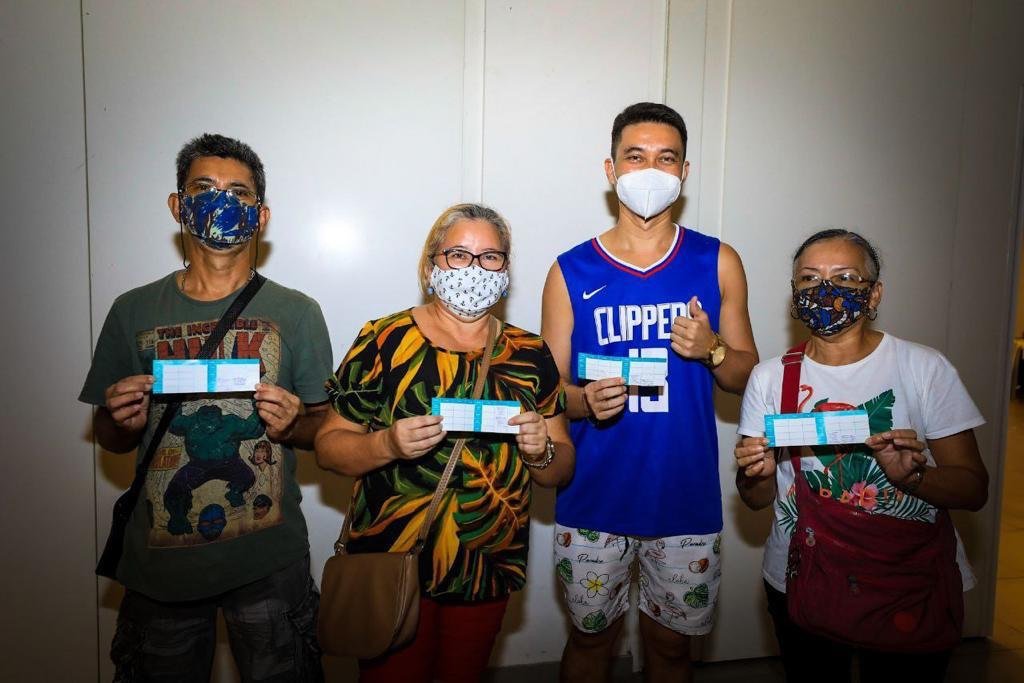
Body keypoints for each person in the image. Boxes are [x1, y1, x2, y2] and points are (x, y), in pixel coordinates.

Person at [79, 133, 332, 681]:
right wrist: (119, 421)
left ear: (261, 214)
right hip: (161, 569)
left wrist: (295, 423)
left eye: (238, 192)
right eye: (204, 188)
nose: (222, 201)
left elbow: (322, 428)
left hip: (269, 563)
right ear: (178, 205)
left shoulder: (297, 312)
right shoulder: (132, 311)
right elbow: (109, 434)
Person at [542, 102, 758, 682]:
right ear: (611, 169)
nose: (650, 170)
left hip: (684, 496)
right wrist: (584, 401)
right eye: (635, 156)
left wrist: (712, 349)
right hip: (594, 497)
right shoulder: (570, 271)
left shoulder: (718, 261)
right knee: (591, 641)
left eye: (666, 158)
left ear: (684, 171)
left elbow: (747, 375)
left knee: (670, 649)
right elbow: (547, 392)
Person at [315, 203, 575, 683]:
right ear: (430, 264)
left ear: (506, 269)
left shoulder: (530, 352)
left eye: (490, 257)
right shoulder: (383, 339)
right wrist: (387, 445)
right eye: (458, 254)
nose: (474, 269)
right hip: (391, 557)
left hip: (485, 561)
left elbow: (561, 468)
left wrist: (542, 452)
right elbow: (329, 446)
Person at [734, 229, 989, 682]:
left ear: (874, 294)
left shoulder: (923, 367)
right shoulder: (770, 377)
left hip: (907, 583)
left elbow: (973, 489)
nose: (825, 290)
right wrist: (757, 472)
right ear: (794, 294)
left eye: (845, 278)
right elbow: (755, 499)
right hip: (804, 578)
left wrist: (914, 478)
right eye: (810, 279)